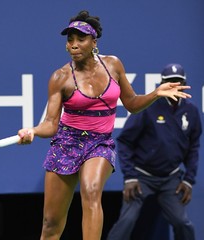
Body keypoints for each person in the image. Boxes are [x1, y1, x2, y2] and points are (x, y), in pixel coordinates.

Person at [17, 10, 192, 240]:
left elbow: (131, 103)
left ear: (94, 42)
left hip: (99, 144)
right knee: (51, 224)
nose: (74, 45)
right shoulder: (60, 77)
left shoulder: (113, 65)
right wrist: (33, 131)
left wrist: (156, 94)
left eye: (81, 39)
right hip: (66, 144)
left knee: (90, 191)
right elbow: (50, 124)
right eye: (70, 40)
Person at [107, 63, 202, 240]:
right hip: (142, 177)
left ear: (185, 83)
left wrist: (188, 180)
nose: (174, 85)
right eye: (170, 82)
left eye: (178, 81)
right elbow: (125, 141)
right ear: (162, 84)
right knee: (126, 221)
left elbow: (194, 146)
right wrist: (130, 177)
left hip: (171, 178)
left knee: (183, 223)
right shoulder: (148, 107)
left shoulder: (191, 111)